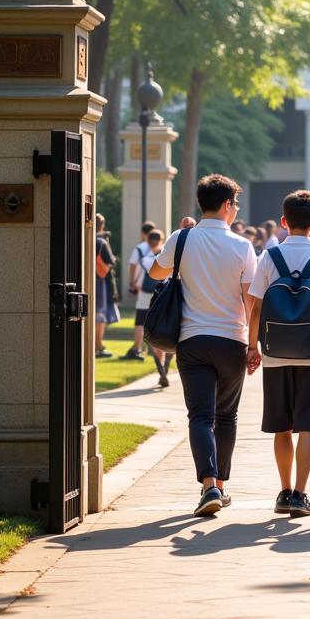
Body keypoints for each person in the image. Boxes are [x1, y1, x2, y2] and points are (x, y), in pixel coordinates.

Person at [145, 174, 257, 517]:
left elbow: (154, 273)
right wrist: (254, 345)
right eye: (235, 204)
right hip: (231, 339)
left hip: (192, 339)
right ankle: (220, 486)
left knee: (200, 416)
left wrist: (181, 239)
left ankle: (208, 484)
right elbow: (250, 300)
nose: (236, 210)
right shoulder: (242, 246)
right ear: (226, 205)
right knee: (227, 416)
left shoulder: (182, 237)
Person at [247, 190, 310, 520]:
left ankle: (284, 489)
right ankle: (301, 493)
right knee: (308, 426)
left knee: (281, 425)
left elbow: (256, 308)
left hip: (275, 353)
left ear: (283, 222)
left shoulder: (268, 257)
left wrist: (253, 346)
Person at [139, 230, 174, 387]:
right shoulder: (172, 257)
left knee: (153, 336)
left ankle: (161, 371)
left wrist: (154, 250)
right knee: (172, 334)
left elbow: (148, 265)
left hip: (152, 300)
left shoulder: (149, 258)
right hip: (169, 300)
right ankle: (165, 369)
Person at [125, 221, 156, 360]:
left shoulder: (140, 248)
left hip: (143, 286)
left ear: (143, 234)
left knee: (140, 320)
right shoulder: (161, 248)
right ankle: (154, 349)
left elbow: (132, 265)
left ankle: (137, 348)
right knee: (155, 318)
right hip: (157, 288)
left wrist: (132, 281)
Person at [94, 214, 120, 358]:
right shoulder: (102, 242)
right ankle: (98, 345)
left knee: (95, 315)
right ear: (102, 225)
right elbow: (110, 263)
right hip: (101, 282)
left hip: (91, 281)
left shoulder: (86, 238)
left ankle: (96, 345)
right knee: (100, 316)